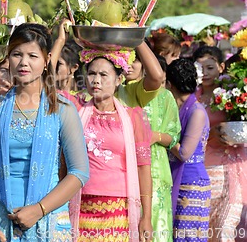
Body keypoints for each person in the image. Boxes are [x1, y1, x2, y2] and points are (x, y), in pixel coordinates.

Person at [0, 23, 89, 241]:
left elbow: (79, 172)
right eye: (17, 54)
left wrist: (39, 209)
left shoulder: (63, 110)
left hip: (49, 221)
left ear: (46, 60)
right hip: (1, 223)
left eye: (32, 55)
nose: (24, 62)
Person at [70, 49, 153, 242]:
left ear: (118, 80)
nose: (96, 80)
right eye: (91, 74)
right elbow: (48, 90)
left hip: (118, 209)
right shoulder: (76, 109)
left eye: (103, 75)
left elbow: (143, 168)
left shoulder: (133, 116)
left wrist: (146, 216)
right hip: (81, 205)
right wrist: (59, 42)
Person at [192, 46, 247, 241]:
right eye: (200, 69)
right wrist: (210, 134)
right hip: (203, 170)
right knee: (206, 231)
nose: (205, 74)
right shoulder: (190, 99)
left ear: (221, 67)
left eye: (210, 68)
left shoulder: (234, 94)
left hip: (232, 168)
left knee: (225, 229)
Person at [125, 54, 181, 242]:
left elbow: (173, 137)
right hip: (123, 174)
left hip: (156, 175)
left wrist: (153, 136)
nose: (130, 65)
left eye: (135, 60)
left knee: (154, 233)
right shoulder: (113, 92)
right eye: (126, 58)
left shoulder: (164, 95)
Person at [166, 58, 211, 242]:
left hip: (192, 185)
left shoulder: (196, 111)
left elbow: (184, 153)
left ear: (169, 84)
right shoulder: (178, 108)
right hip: (178, 180)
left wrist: (162, 137)